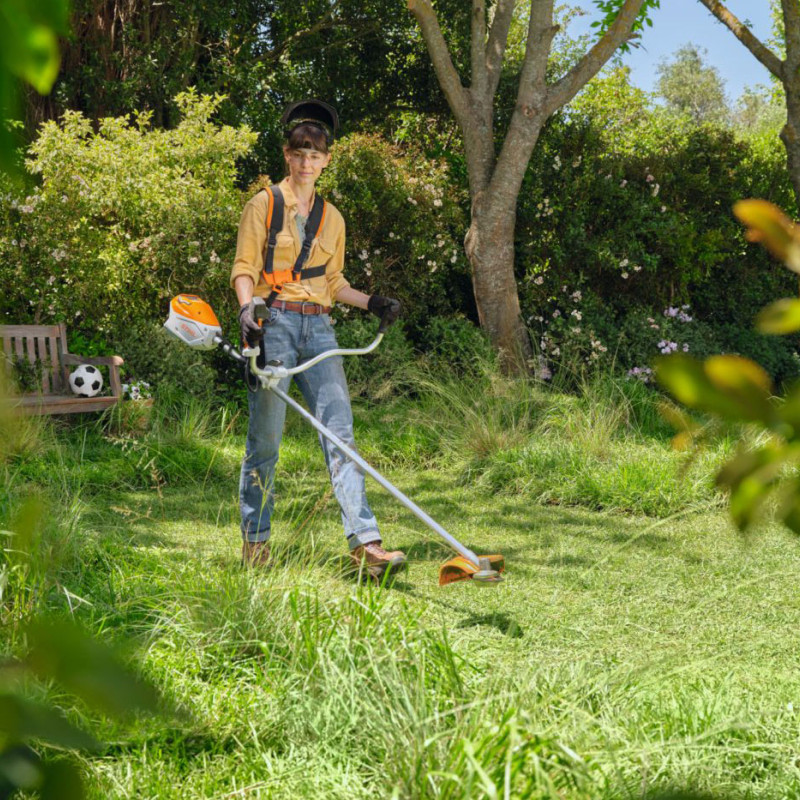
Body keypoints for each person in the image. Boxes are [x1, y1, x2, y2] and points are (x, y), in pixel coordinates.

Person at [230, 99, 406, 579]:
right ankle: (256, 543)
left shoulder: (333, 218)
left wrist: (372, 302)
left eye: (315, 155)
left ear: (326, 160)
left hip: (320, 329)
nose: (307, 163)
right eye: (299, 154)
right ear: (287, 156)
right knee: (265, 440)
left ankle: (365, 545)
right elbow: (244, 268)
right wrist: (247, 310)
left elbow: (333, 281)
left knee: (339, 434)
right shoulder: (264, 205)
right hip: (275, 325)